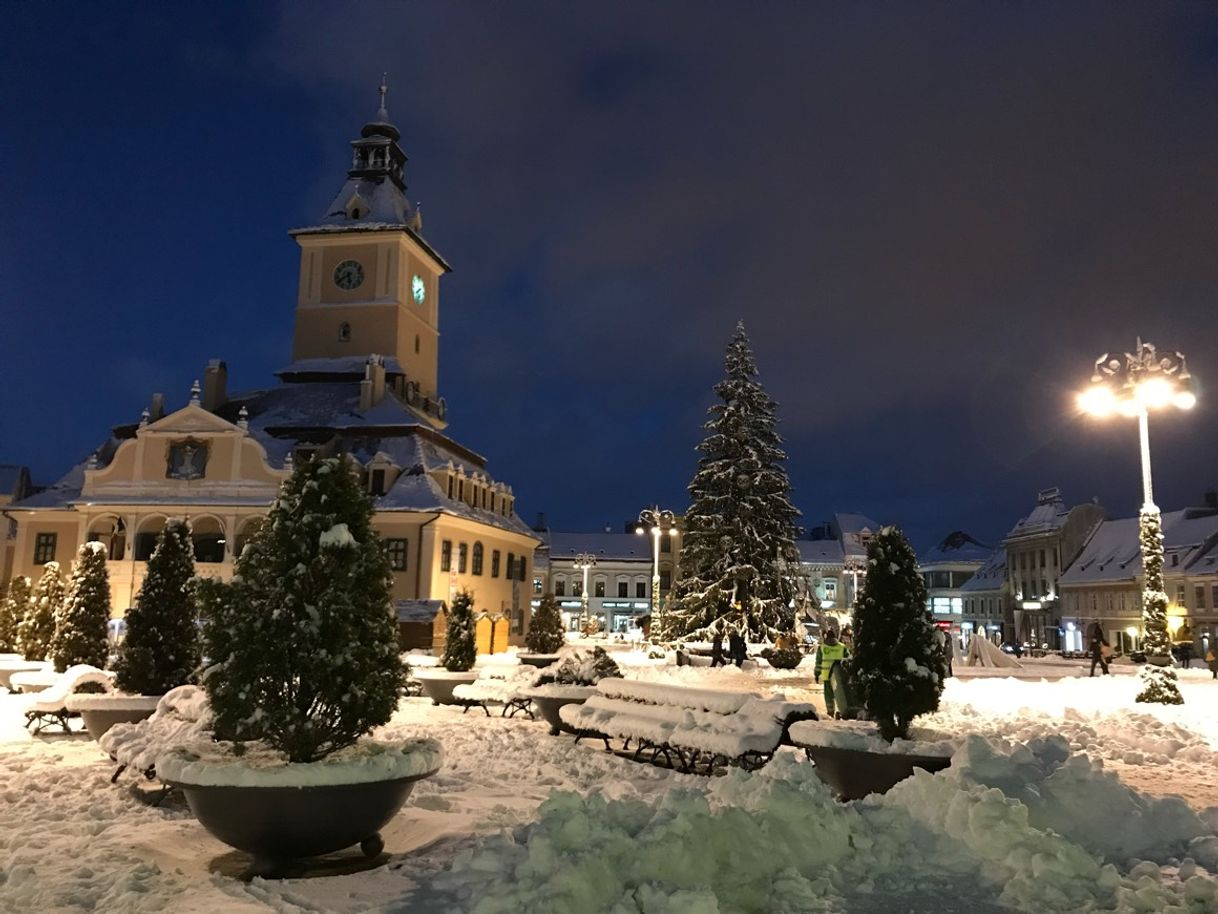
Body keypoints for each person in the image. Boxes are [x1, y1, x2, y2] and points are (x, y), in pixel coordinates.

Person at [814, 629, 849, 719]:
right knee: (841, 694)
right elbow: (848, 661)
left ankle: (830, 712)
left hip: (827, 675)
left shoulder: (822, 647)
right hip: (840, 676)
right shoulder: (842, 647)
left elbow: (818, 662)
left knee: (829, 695)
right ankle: (840, 711)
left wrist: (816, 674)